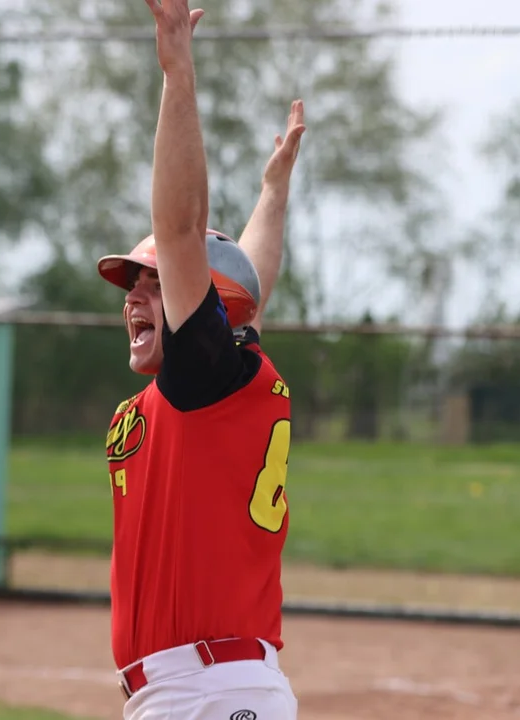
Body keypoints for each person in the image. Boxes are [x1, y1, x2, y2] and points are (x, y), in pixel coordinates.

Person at [94, 0, 307, 716]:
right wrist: (272, 194)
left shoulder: (203, 378)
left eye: (153, 284)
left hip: (209, 692)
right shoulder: (217, 381)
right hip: (199, 691)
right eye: (135, 284)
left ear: (205, 305)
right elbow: (251, 283)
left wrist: (176, 72)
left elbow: (182, 228)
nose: (135, 297)